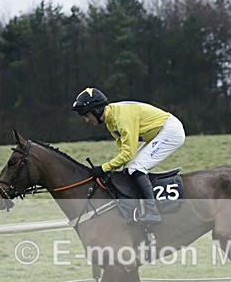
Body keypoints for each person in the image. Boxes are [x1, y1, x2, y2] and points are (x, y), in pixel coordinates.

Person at [71, 87, 185, 225]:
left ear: (96, 109)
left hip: (170, 132)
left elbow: (128, 153)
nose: (86, 120)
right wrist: (109, 168)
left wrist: (103, 168)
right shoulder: (111, 121)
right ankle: (138, 208)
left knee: (136, 168)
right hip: (160, 132)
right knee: (129, 167)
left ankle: (153, 212)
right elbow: (125, 153)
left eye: (86, 115)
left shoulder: (121, 118)